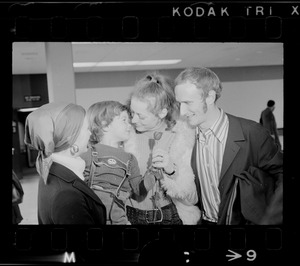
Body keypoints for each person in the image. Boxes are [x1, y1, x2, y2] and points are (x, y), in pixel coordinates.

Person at [174, 67, 283, 225]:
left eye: (188, 103)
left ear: (210, 97)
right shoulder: (186, 138)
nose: (182, 111)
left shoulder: (252, 133)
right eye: (179, 103)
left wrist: (272, 218)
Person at [123, 73, 201, 225]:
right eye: (132, 113)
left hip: (169, 216)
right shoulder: (125, 138)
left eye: (141, 116)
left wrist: (171, 170)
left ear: (162, 113)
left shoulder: (182, 139)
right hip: (129, 216)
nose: (133, 120)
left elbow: (193, 197)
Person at [24, 102, 106, 224]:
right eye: (87, 129)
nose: (90, 133)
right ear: (71, 140)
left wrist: (87, 194)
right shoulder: (67, 196)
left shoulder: (49, 169)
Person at [81, 101, 156, 225]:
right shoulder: (87, 154)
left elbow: (139, 192)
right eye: (124, 120)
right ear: (105, 125)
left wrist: (154, 174)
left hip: (118, 220)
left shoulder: (130, 159)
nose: (129, 124)